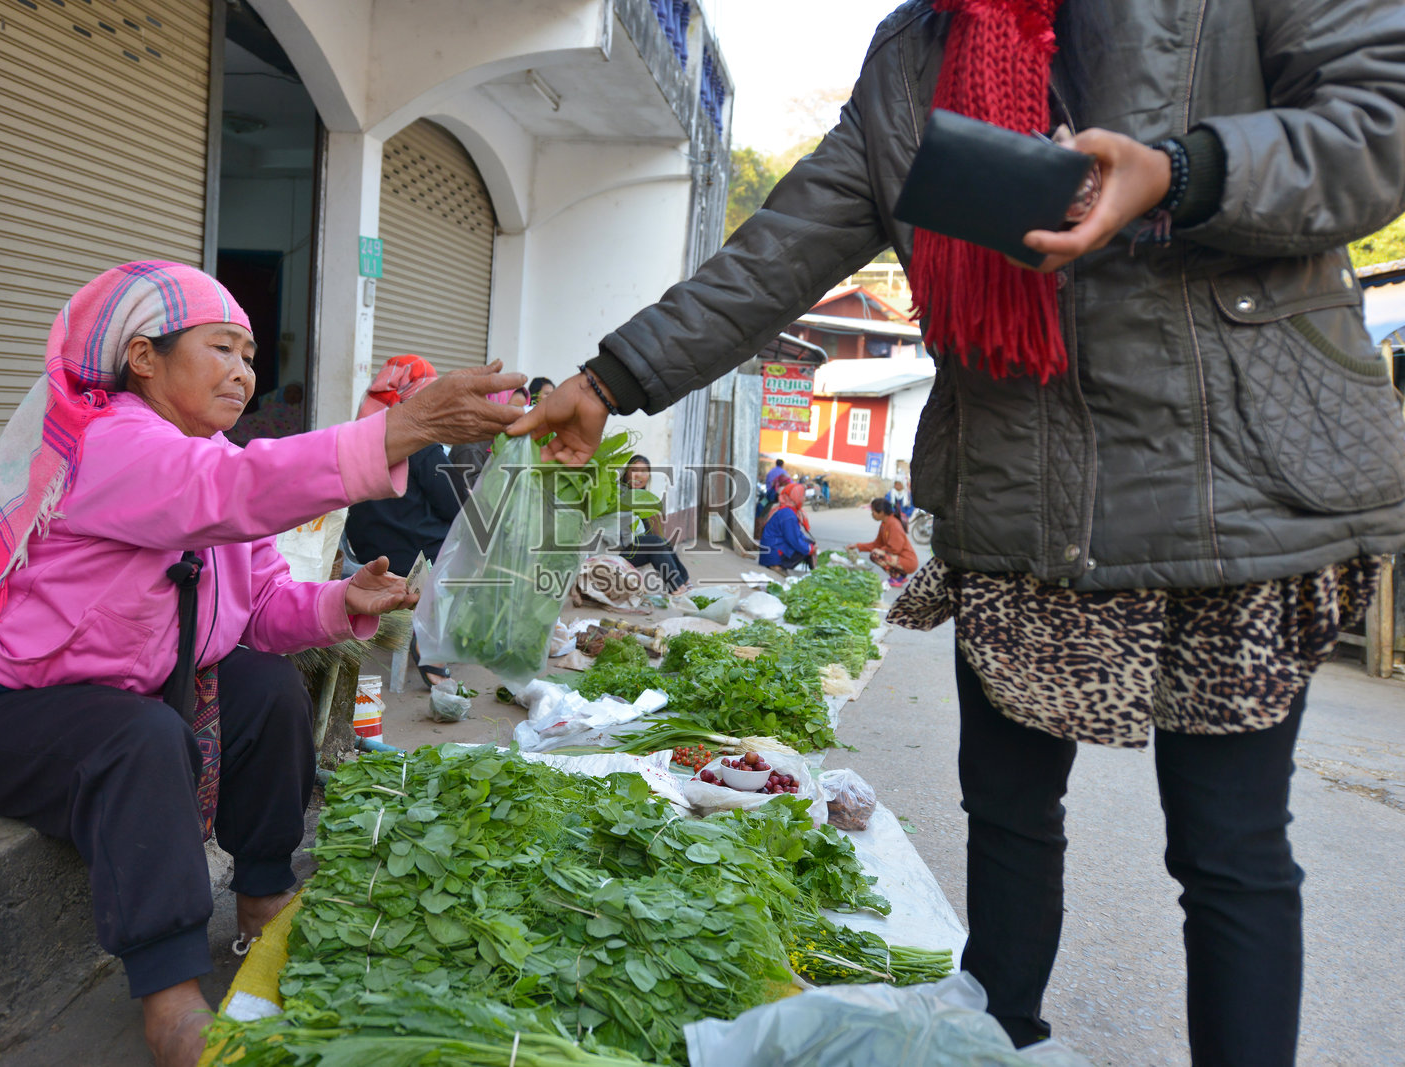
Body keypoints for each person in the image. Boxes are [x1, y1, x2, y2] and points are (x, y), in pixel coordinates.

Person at [510, 4, 1405, 1062]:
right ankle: (994, 1042)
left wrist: (1184, 170)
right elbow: (785, 245)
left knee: (1229, 848)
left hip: (1235, 478)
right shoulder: (912, 52)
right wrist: (616, 376)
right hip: (1021, 477)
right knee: (1010, 818)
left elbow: (1382, 119)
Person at [0, 262, 525, 1067]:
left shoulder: (208, 454)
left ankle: (263, 894)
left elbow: (259, 605)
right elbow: (233, 490)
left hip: (116, 690)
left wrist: (343, 602)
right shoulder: (110, 441)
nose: (243, 370)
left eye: (250, 354)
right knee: (141, 737)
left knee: (263, 684)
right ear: (143, 359)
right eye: (221, 348)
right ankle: (170, 996)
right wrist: (402, 428)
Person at [344, 356, 467, 687]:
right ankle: (431, 642)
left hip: (367, 552)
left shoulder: (358, 435)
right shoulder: (420, 442)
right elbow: (455, 505)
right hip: (413, 555)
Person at [616, 454, 691, 594]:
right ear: (626, 473)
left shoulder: (641, 498)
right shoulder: (616, 494)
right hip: (616, 553)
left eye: (644, 472)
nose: (638, 475)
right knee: (656, 542)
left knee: (661, 542)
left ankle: (684, 581)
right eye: (634, 470)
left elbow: (646, 535)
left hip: (630, 549)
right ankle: (677, 588)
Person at [447, 385, 531, 502]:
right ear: (493, 406)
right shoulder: (471, 445)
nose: (518, 416)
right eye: (512, 408)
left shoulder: (510, 441)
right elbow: (474, 492)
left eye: (522, 409)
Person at [853, 498, 919, 587]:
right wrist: (857, 546)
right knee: (876, 552)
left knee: (876, 554)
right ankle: (900, 576)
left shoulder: (893, 524)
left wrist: (880, 550)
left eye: (873, 511)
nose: (872, 514)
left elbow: (895, 548)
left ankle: (897, 578)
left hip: (908, 561)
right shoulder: (884, 524)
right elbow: (877, 544)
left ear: (882, 512)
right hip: (899, 558)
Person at [758, 482, 816, 573]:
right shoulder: (789, 515)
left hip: (770, 551)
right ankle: (776, 565)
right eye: (803, 496)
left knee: (809, 544)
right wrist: (810, 549)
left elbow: (797, 534)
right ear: (796, 497)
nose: (804, 499)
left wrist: (810, 545)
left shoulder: (787, 510)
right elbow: (794, 540)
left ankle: (813, 569)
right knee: (804, 550)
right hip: (772, 555)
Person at [225, 381, 305, 445]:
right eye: (288, 392)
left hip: (274, 429)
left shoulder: (303, 409)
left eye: (296, 392)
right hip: (258, 421)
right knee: (240, 422)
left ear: (302, 395)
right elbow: (263, 414)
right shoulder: (275, 405)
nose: (291, 395)